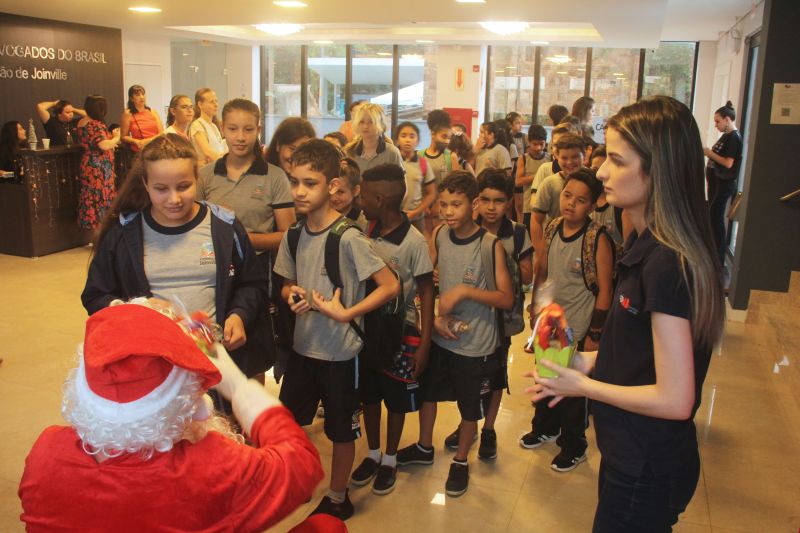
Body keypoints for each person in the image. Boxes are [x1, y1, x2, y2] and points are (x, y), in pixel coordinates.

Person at [528, 96, 725, 531]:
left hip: (647, 464)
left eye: (617, 161)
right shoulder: (643, 244)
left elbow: (676, 399)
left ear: (658, 171)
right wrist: (581, 362)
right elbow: (641, 357)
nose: (600, 172)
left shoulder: (667, 263)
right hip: (629, 454)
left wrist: (584, 387)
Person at [19, 300, 325, 532]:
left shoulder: (46, 455)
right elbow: (301, 464)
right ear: (185, 398)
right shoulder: (211, 469)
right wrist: (237, 385)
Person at [273, 139, 400, 520]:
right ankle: (297, 481)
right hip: (303, 348)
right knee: (288, 423)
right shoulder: (294, 234)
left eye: (309, 183)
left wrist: (347, 314)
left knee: (342, 430)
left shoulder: (348, 237)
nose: (299, 191)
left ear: (331, 186)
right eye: (294, 181)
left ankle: (338, 495)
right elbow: (285, 283)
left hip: (340, 353)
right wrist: (291, 294)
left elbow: (390, 285)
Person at [81, 134, 271, 383]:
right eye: (161, 189)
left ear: (197, 178)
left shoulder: (224, 226)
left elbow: (252, 282)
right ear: (146, 184)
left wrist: (239, 314)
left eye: (183, 186)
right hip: (153, 367)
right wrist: (138, 307)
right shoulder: (124, 234)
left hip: (213, 361)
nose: (174, 199)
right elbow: (95, 296)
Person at [397, 170, 514, 498]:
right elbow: (428, 280)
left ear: (473, 205)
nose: (448, 212)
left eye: (456, 205)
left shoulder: (490, 245)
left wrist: (464, 291)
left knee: (469, 407)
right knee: (429, 394)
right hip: (441, 336)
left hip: (475, 344)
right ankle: (424, 446)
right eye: (444, 204)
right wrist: (433, 318)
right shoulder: (439, 235)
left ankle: (461, 460)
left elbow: (506, 298)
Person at [350, 163, 435, 496]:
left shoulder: (414, 242)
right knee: (369, 395)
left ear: (380, 199)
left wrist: (424, 344)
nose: (359, 200)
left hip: (400, 333)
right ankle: (372, 453)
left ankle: (389, 457)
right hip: (367, 329)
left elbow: (427, 291)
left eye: (364, 195)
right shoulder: (364, 229)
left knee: (395, 397)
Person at [521, 168, 613, 473]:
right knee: (544, 377)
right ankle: (545, 428)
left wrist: (595, 333)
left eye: (581, 200)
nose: (570, 203)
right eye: (567, 195)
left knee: (573, 392)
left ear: (593, 204)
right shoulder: (552, 227)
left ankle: (574, 445)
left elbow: (605, 291)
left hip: (578, 328)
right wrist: (536, 308)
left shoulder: (596, 238)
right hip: (549, 326)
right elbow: (543, 271)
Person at [443, 169, 533, 460]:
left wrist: (498, 263)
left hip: (501, 321)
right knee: (467, 377)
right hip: (471, 320)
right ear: (475, 201)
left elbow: (528, 275)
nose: (491, 207)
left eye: (499, 200)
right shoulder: (463, 228)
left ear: (509, 202)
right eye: (485, 200)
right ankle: (467, 424)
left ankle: (490, 428)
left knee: (495, 376)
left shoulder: (517, 233)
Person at [197, 98, 295, 255]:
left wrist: (238, 238)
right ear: (222, 128)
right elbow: (194, 229)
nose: (240, 137)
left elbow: (287, 235)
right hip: (212, 262)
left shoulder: (275, 177)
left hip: (257, 263)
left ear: (258, 130)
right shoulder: (205, 175)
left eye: (248, 130)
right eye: (232, 129)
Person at [531, 134, 586, 277]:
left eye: (575, 157)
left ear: (584, 154)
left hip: (586, 245)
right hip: (555, 246)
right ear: (556, 157)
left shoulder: (593, 181)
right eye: (564, 158)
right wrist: (540, 253)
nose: (569, 162)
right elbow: (536, 219)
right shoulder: (549, 184)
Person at [704, 101, 743, 269]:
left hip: (723, 184)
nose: (716, 125)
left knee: (716, 218)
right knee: (713, 217)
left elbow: (728, 163)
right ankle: (714, 255)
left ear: (727, 119)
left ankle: (718, 258)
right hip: (716, 183)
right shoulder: (727, 136)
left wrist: (709, 153)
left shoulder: (733, 137)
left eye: (717, 121)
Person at [75, 95, 121, 231]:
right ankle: (100, 229)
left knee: (91, 195)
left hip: (89, 163)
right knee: (101, 195)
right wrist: (116, 137)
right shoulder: (95, 124)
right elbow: (103, 145)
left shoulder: (82, 122)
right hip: (99, 166)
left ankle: (92, 228)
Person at [394, 121, 436, 235]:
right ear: (397, 140)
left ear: (417, 141)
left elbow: (431, 193)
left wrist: (416, 212)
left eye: (412, 136)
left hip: (417, 219)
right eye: (403, 136)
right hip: (394, 217)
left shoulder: (423, 163)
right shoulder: (392, 161)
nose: (407, 140)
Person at [344, 103, 403, 174]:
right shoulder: (350, 152)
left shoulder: (392, 152)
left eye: (371, 122)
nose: (365, 126)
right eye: (362, 122)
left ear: (381, 124)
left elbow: (400, 180)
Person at [516, 124, 550, 228]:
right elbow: (518, 181)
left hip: (547, 204)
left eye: (541, 144)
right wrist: (539, 175)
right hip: (529, 205)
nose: (538, 147)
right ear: (529, 142)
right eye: (535, 144)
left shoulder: (550, 158)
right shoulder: (523, 158)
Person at [120, 85, 164, 153]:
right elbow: (123, 137)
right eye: (137, 95)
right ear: (131, 99)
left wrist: (149, 140)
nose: (142, 97)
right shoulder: (128, 114)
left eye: (143, 94)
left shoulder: (152, 112)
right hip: (139, 151)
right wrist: (136, 141)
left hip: (156, 149)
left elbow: (162, 133)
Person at [190, 88, 226, 164]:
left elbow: (220, 150)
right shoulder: (197, 124)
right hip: (207, 169)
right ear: (200, 104)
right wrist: (225, 163)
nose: (216, 105)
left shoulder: (214, 126)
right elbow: (207, 152)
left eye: (216, 101)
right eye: (211, 102)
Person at [331, 157, 368, 229]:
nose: (333, 198)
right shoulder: (322, 216)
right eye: (331, 190)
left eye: (340, 192)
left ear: (356, 191)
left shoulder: (363, 222)